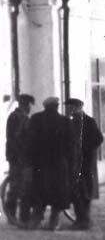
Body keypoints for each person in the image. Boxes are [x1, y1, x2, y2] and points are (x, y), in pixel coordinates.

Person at [22, 97, 71, 230]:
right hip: (58, 163)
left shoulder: (36, 119)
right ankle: (54, 221)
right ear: (57, 106)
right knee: (57, 192)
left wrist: (28, 160)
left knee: (39, 191)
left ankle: (36, 219)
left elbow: (29, 142)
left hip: (40, 163)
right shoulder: (65, 121)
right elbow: (70, 144)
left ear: (45, 107)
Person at [64, 98, 104, 230]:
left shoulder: (88, 121)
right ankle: (82, 220)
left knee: (84, 192)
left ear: (77, 107)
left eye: (70, 107)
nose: (68, 110)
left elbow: (98, 138)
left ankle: (84, 221)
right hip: (75, 163)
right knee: (77, 192)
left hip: (85, 164)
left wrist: (84, 149)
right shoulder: (72, 122)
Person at [4, 93, 35, 224]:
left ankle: (18, 216)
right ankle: (13, 216)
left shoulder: (21, 117)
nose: (30, 108)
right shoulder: (16, 117)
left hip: (19, 156)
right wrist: (22, 155)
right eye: (29, 105)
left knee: (20, 186)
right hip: (18, 157)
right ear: (23, 104)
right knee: (17, 187)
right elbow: (16, 139)